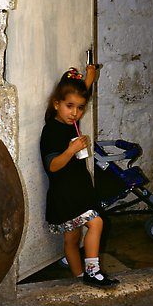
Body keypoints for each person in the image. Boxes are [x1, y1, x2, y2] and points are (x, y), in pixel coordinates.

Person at [40, 65, 119, 288]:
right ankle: (92, 272)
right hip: (66, 193)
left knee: (72, 239)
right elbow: (53, 166)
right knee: (96, 223)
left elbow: (76, 95)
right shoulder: (52, 131)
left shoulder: (70, 121)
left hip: (78, 189)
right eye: (69, 107)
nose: (75, 113)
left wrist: (89, 79)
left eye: (81, 108)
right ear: (57, 104)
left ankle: (79, 280)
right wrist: (71, 151)